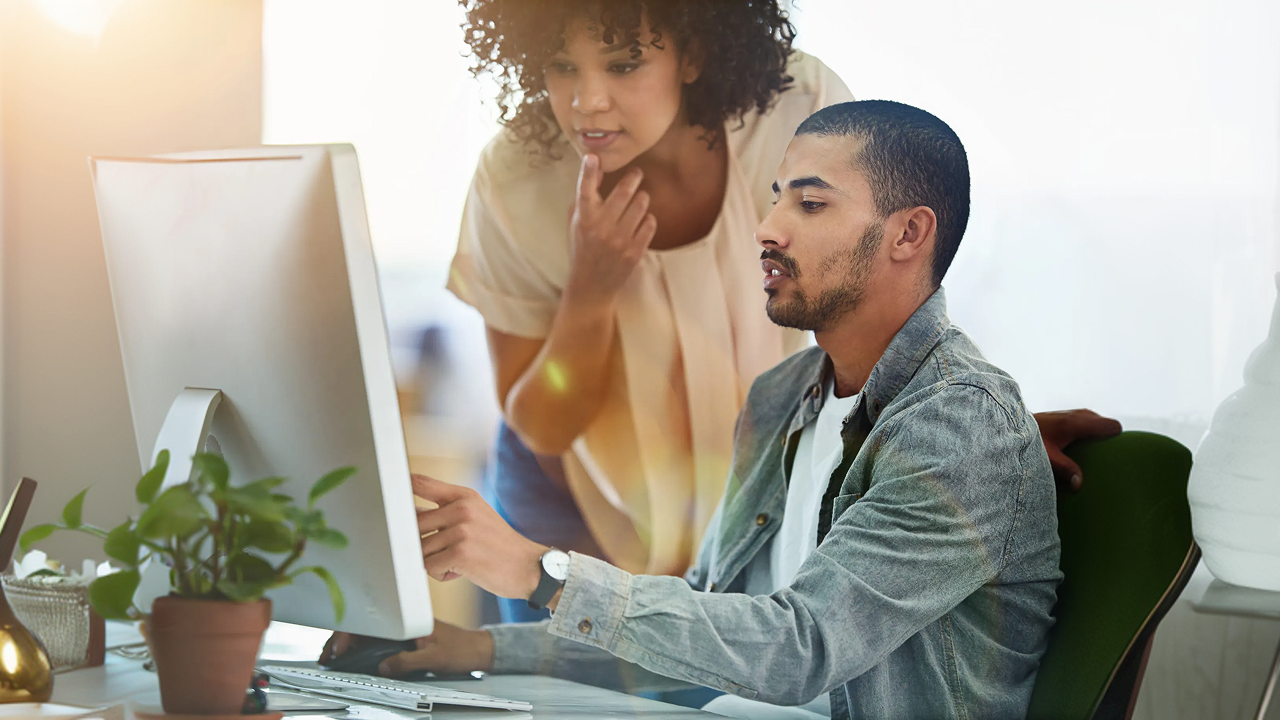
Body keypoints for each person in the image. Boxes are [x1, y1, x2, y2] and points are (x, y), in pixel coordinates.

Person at [329, 100, 1063, 719]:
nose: (768, 228)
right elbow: (712, 622)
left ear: (909, 233)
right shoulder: (783, 399)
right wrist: (485, 648)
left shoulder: (959, 424)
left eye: (809, 204)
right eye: (775, 197)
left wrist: (540, 573)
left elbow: (799, 647)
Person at [446, 0, 1116, 624]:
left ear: (692, 51)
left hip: (748, 488)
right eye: (561, 65)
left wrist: (977, 441)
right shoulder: (516, 182)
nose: (586, 101)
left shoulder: (801, 116)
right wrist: (591, 291)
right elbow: (541, 423)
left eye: (624, 63)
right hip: (578, 503)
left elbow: (882, 301)